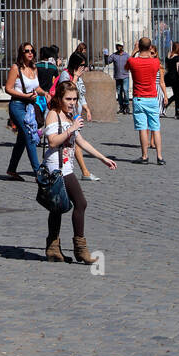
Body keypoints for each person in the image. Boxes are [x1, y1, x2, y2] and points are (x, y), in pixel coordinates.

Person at [42, 80, 117, 263]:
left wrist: (102, 158)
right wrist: (72, 129)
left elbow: (81, 141)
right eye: (68, 98)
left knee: (57, 208)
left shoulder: (69, 116)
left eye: (75, 99)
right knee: (81, 203)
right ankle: (80, 249)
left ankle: (53, 248)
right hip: (56, 168)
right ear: (59, 98)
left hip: (66, 166)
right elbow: (52, 141)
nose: (72, 102)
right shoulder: (54, 115)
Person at [4, 43, 46, 179]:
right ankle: (38, 172)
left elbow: (37, 87)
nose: (30, 53)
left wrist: (45, 93)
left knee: (22, 139)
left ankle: (11, 169)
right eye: (26, 51)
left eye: (32, 51)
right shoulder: (15, 68)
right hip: (17, 105)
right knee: (29, 134)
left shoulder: (34, 68)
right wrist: (25, 96)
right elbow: (8, 88)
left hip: (29, 106)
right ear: (21, 53)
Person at [55, 54, 99, 182]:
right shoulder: (66, 75)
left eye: (84, 65)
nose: (83, 68)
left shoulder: (79, 78)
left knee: (73, 142)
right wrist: (74, 77)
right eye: (81, 65)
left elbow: (81, 94)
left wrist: (87, 109)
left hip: (76, 114)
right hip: (67, 114)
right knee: (76, 142)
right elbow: (66, 92)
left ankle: (64, 168)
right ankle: (84, 171)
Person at [126, 36, 169, 163]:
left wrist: (134, 51)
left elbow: (126, 67)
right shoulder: (155, 62)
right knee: (156, 128)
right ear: (150, 48)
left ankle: (145, 156)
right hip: (152, 98)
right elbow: (153, 62)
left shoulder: (133, 61)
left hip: (139, 98)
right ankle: (159, 156)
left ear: (139, 47)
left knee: (142, 128)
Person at [105, 42, 131, 114]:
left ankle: (126, 105)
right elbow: (107, 62)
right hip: (117, 76)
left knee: (125, 91)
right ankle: (121, 107)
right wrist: (105, 56)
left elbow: (131, 63)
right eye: (117, 46)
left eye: (119, 46)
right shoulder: (114, 55)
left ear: (122, 47)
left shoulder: (126, 55)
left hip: (125, 75)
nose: (118, 47)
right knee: (119, 93)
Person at [165, 41, 179, 118]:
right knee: (177, 95)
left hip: (169, 76)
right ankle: (176, 112)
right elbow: (177, 69)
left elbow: (167, 67)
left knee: (175, 94)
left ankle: (175, 111)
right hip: (176, 77)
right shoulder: (177, 57)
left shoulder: (168, 56)